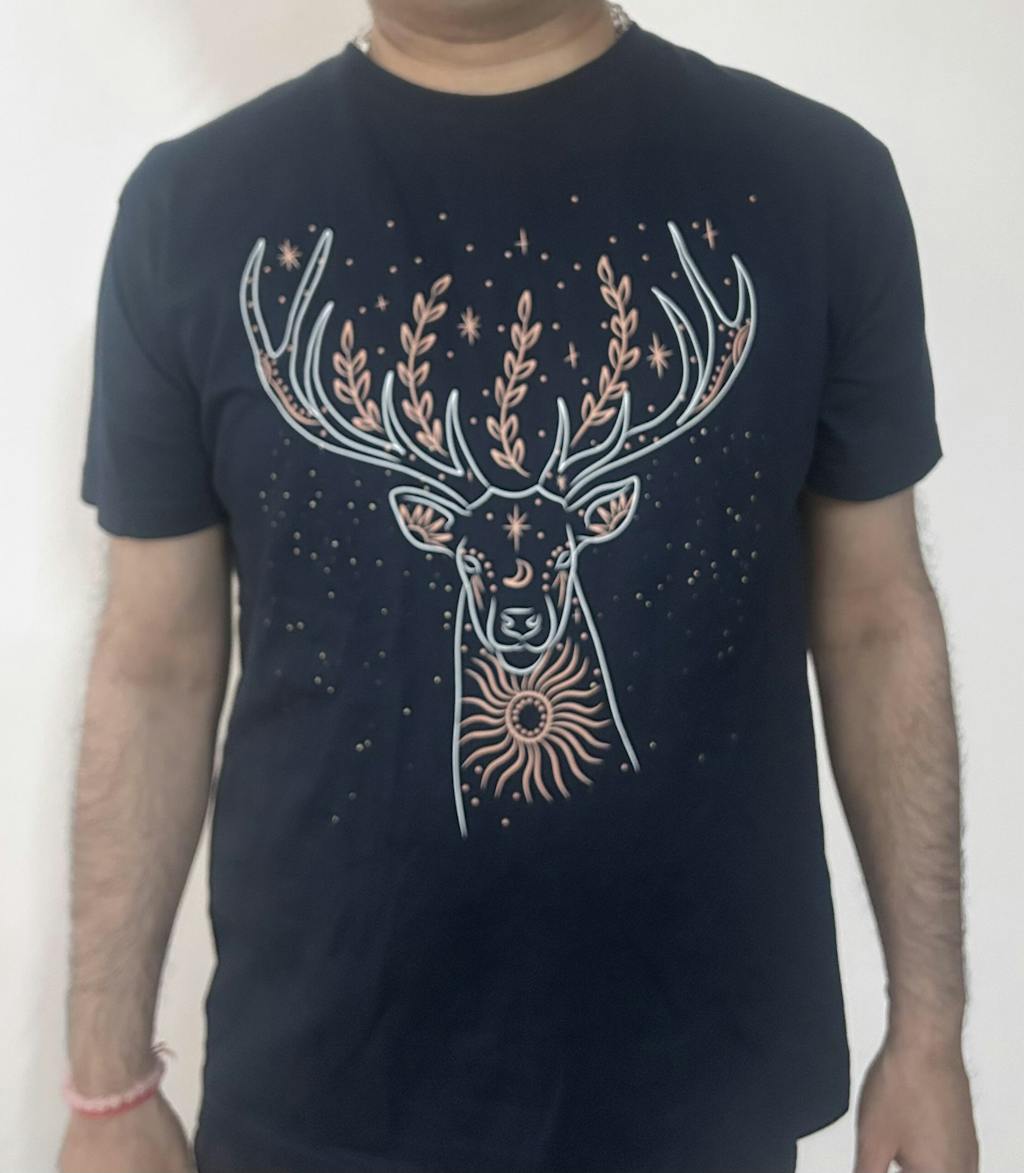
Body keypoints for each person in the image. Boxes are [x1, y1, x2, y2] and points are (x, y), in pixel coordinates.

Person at [60, 2, 980, 1171]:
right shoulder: (188, 211)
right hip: (315, 1111)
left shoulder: (817, 181)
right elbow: (154, 666)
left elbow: (876, 621)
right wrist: (105, 1085)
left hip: (702, 1112)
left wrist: (929, 1034)